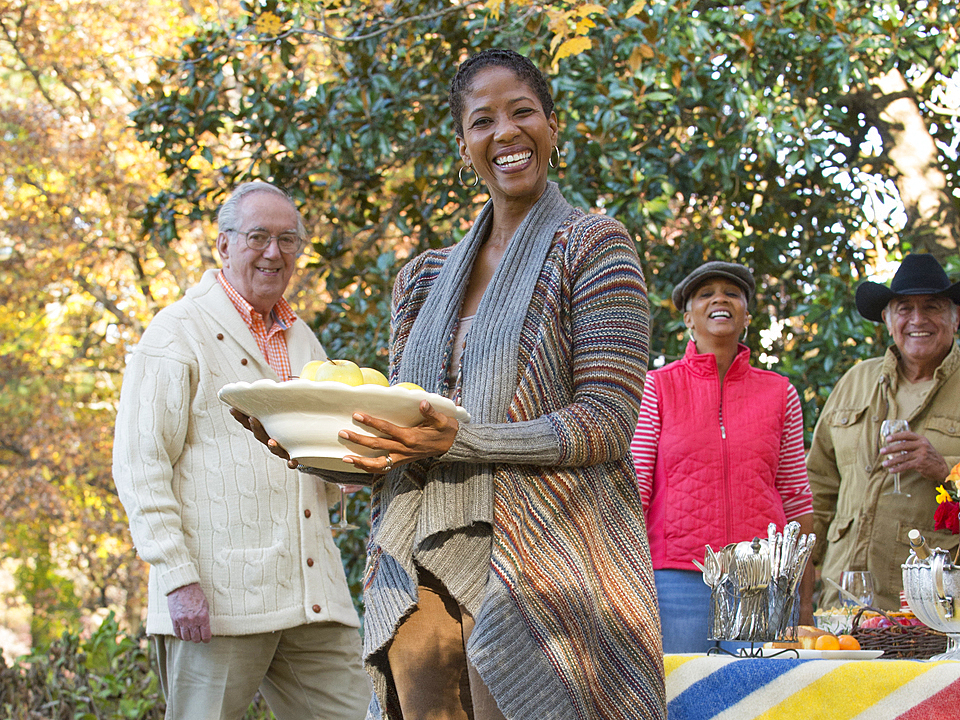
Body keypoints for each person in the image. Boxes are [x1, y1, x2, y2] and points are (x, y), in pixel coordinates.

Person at [237, 49, 664, 720]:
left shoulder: (593, 244)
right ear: (464, 142)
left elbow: (607, 423)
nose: (505, 133)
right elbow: (402, 435)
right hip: (417, 567)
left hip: (542, 573)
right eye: (482, 120)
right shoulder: (422, 279)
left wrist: (458, 439)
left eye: (522, 112)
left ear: (553, 124)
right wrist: (316, 446)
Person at [111, 181, 370, 720]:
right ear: (224, 246)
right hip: (216, 601)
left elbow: (313, 461)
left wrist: (350, 468)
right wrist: (178, 579)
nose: (274, 252)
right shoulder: (176, 333)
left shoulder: (304, 342)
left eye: (288, 239)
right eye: (258, 237)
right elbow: (139, 465)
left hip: (313, 597)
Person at [630, 261, 815, 653]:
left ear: (746, 315)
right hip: (676, 580)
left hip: (764, 579)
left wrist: (805, 598)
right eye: (705, 293)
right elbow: (636, 488)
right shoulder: (657, 387)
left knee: (764, 706)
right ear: (688, 318)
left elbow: (797, 497)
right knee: (681, 705)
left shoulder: (781, 393)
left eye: (732, 293)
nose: (720, 299)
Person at [809, 253, 960, 611]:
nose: (917, 319)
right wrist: (801, 587)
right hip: (840, 603)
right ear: (888, 320)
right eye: (904, 308)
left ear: (956, 318)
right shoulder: (855, 381)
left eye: (933, 307)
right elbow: (817, 488)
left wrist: (945, 471)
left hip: (933, 609)